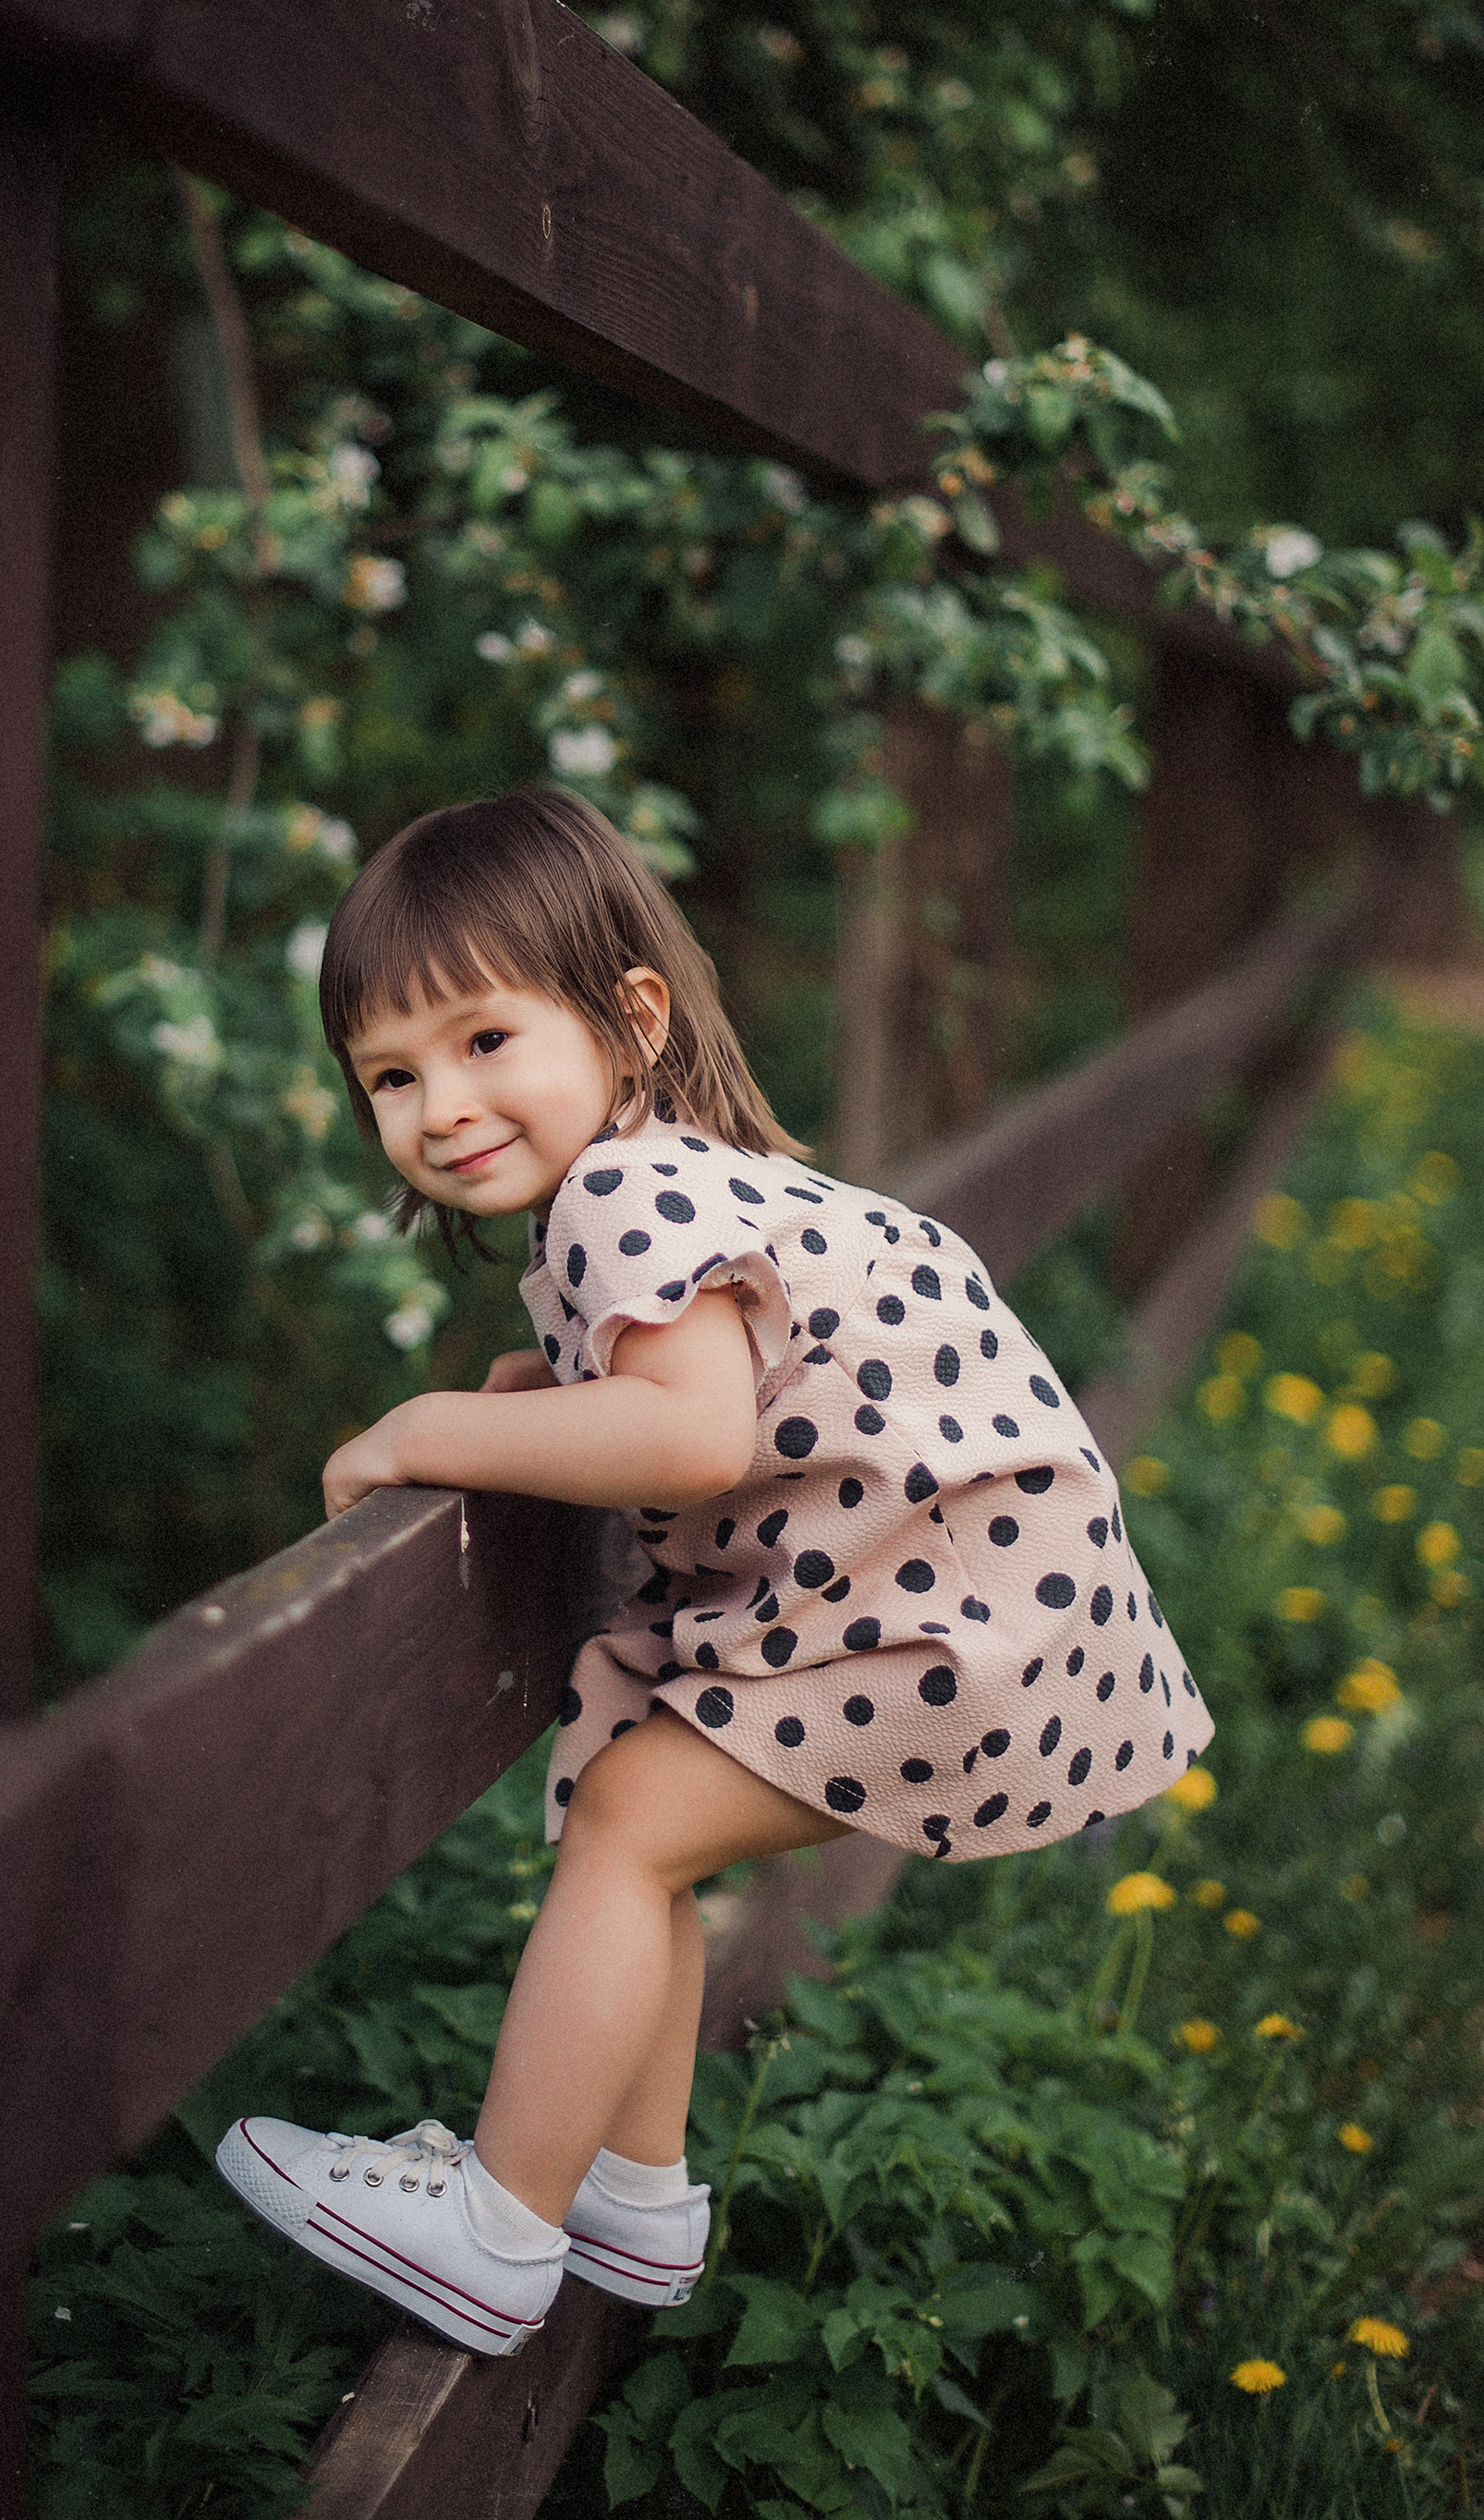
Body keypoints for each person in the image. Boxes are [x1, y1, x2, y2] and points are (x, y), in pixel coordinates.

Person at [215, 787, 1212, 2356]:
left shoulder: (622, 1194)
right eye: (391, 1075)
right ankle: (634, 2188)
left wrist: (432, 1425)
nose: (439, 1104)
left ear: (630, 1016)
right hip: (963, 1600)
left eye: (484, 1041)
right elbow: (716, 1395)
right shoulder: (672, 1177)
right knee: (641, 1806)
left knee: (623, 1825)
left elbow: (687, 1440)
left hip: (940, 1617)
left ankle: (496, 2230)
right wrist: (539, 1397)